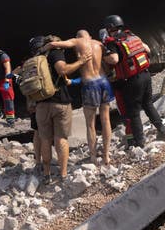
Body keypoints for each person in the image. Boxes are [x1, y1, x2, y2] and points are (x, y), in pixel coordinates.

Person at [44, 30, 114, 165]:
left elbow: (55, 43)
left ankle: (93, 157)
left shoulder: (77, 41)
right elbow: (108, 63)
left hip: (90, 84)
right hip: (104, 82)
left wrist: (45, 47)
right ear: (90, 36)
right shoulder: (99, 44)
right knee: (106, 120)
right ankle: (106, 155)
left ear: (78, 36)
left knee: (90, 124)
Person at [30, 35, 90, 184]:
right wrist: (81, 61)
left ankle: (47, 174)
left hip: (41, 104)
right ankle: (63, 174)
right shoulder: (55, 53)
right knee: (61, 139)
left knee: (45, 139)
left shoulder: (34, 59)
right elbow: (63, 69)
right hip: (60, 102)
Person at [102, 15, 165, 148]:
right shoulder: (132, 36)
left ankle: (140, 142)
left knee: (133, 112)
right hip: (146, 75)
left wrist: (104, 58)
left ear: (110, 28)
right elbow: (147, 49)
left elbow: (114, 60)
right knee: (148, 104)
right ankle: (162, 131)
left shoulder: (112, 42)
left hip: (132, 80)